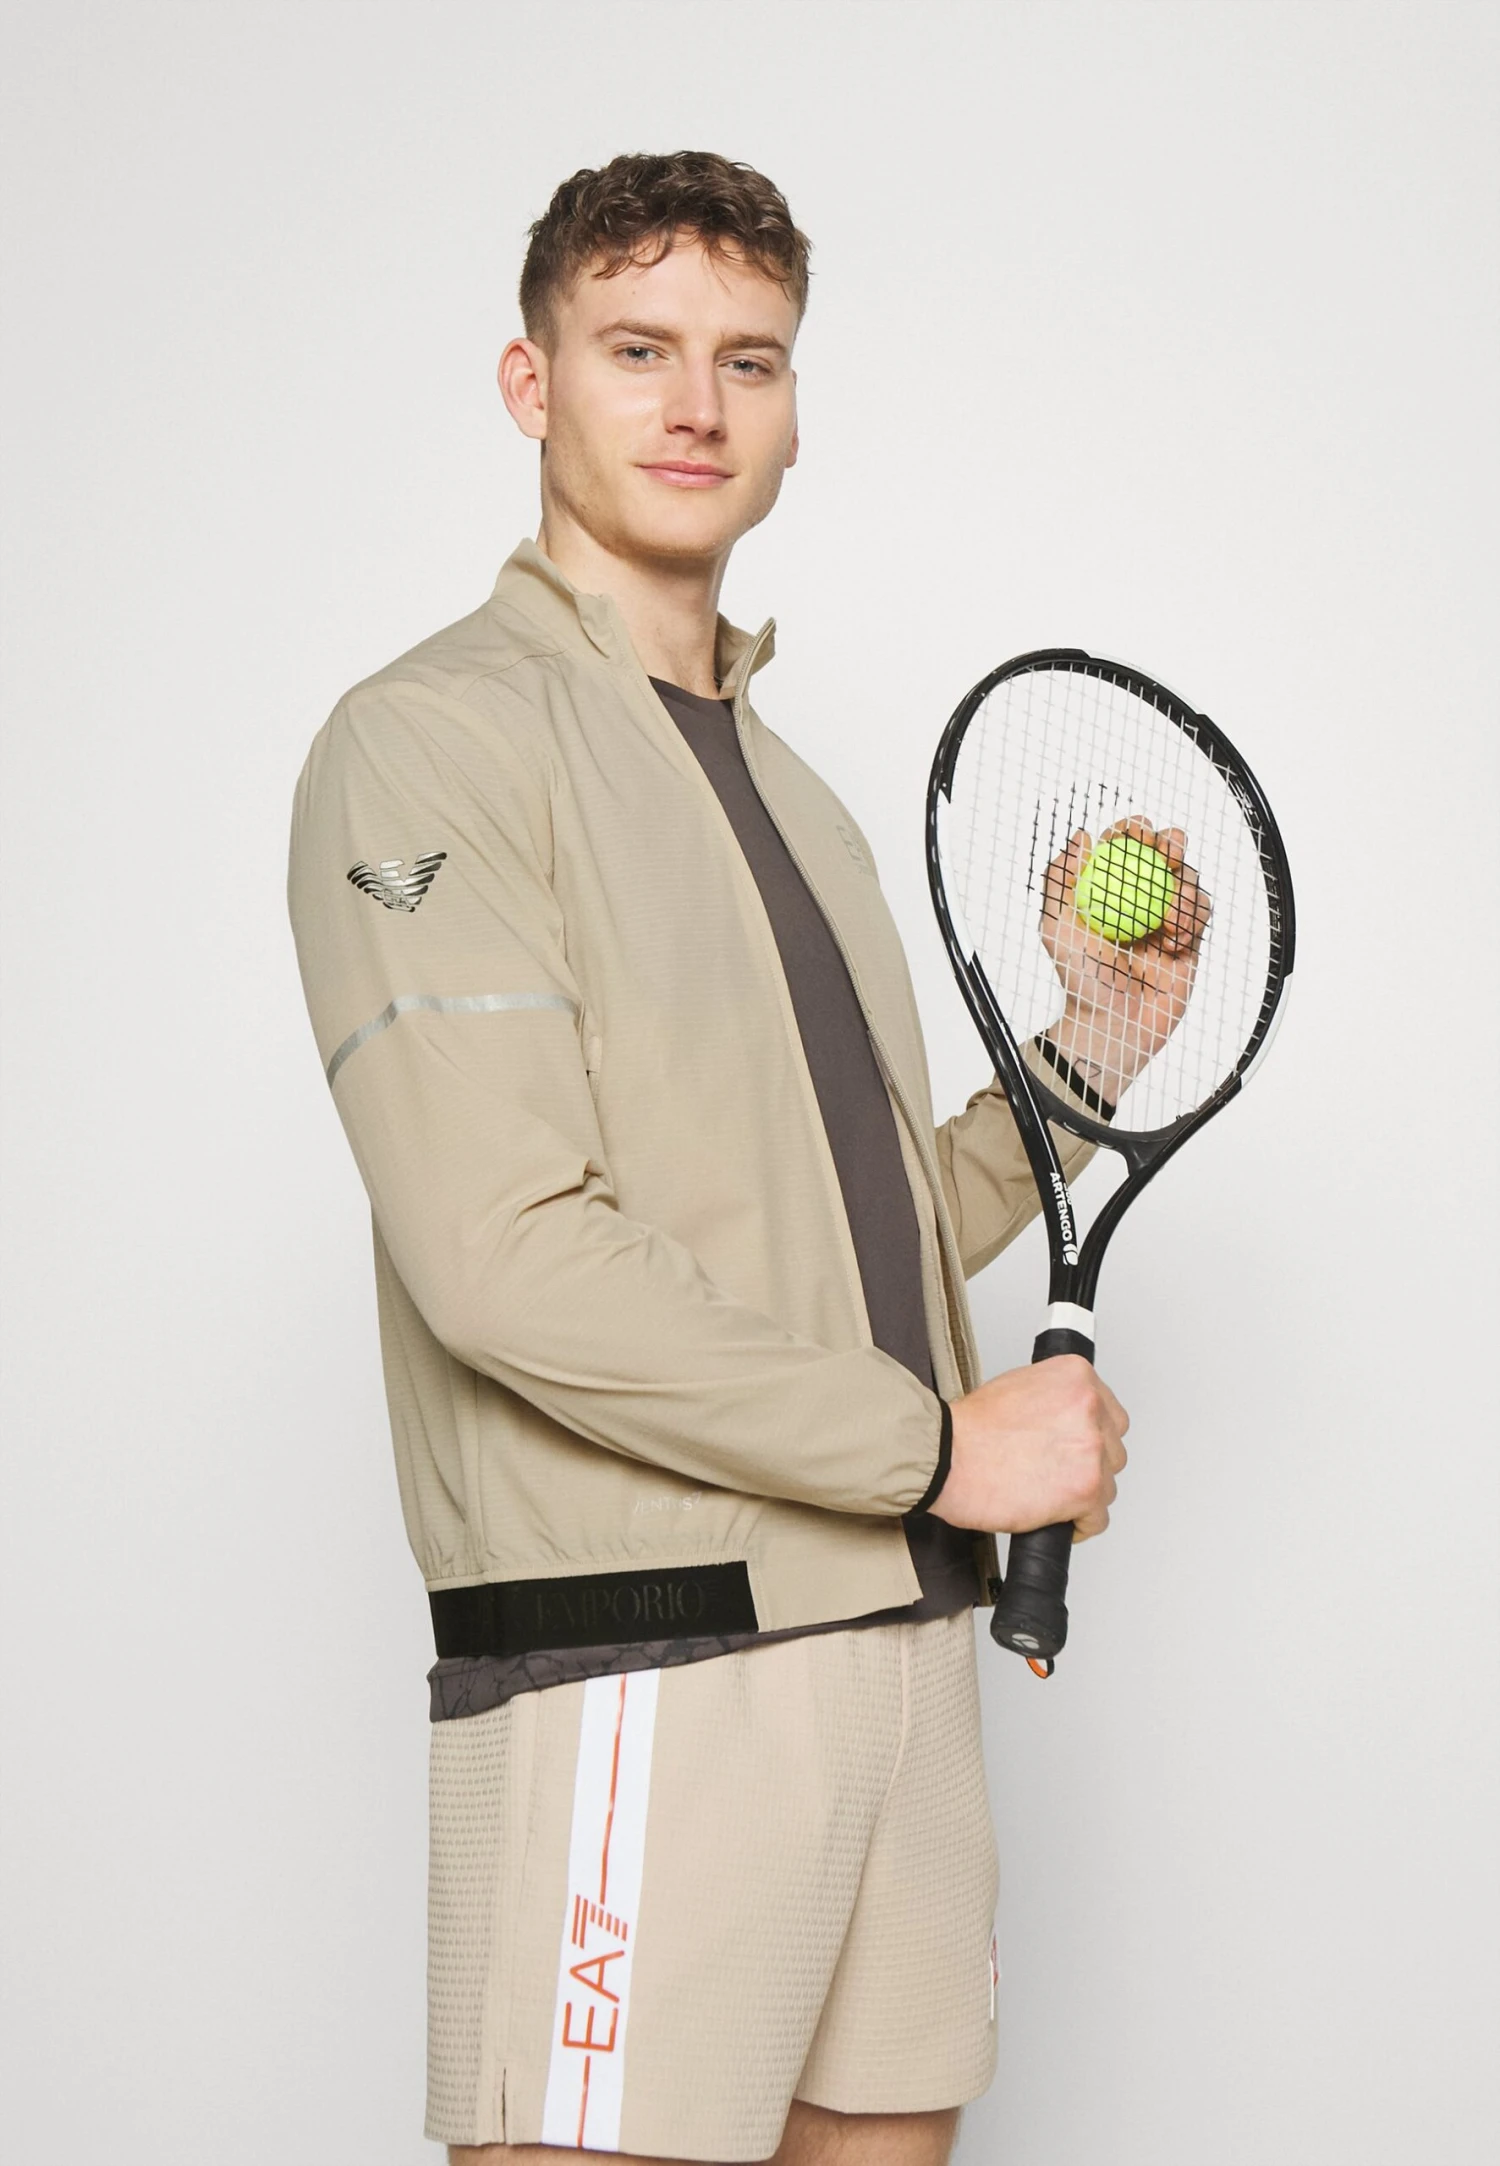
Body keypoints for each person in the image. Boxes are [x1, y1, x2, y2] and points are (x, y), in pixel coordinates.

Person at [288, 150, 1197, 2166]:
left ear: (793, 412)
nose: (697, 404)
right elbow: (506, 1259)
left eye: (749, 360)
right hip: (653, 1646)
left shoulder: (794, 795)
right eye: (639, 349)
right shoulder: (429, 744)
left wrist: (1090, 1054)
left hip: (904, 1654)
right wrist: (943, 1451)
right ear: (531, 381)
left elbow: (859, 1228)